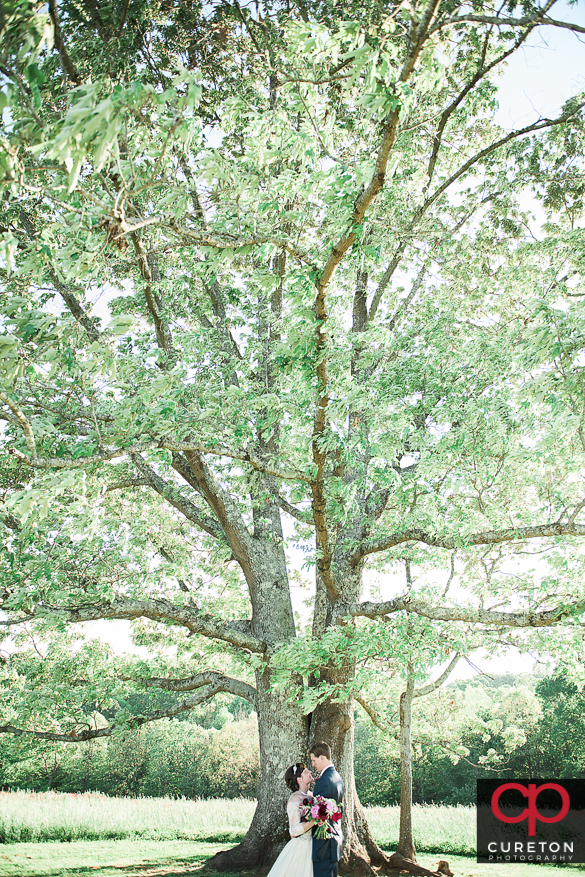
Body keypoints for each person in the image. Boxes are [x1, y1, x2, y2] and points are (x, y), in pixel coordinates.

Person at [266, 762, 315, 877]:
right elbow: (293, 830)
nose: (310, 772)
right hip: (301, 847)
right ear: (299, 779)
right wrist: (313, 821)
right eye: (306, 772)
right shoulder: (295, 799)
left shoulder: (312, 796)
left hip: (315, 844)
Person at [309, 742, 344, 877]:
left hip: (324, 844)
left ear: (322, 757)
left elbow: (317, 813)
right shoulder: (337, 777)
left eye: (314, 760)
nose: (313, 764)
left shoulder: (324, 780)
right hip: (334, 840)